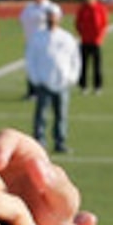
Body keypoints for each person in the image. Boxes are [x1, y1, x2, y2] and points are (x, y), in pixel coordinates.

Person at [24, 11, 77, 154]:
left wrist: (71, 77)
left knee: (61, 115)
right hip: (44, 82)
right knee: (41, 115)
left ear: (59, 18)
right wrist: (35, 78)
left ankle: (60, 141)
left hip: (62, 83)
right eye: (49, 16)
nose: (52, 19)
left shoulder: (66, 37)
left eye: (54, 16)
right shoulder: (37, 37)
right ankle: (39, 142)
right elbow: (30, 59)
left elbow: (75, 58)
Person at [74, 0, 109, 91]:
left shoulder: (100, 8)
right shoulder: (83, 8)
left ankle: (97, 86)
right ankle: (83, 85)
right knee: (83, 65)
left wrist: (100, 38)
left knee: (97, 65)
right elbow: (78, 23)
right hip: (85, 40)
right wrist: (81, 34)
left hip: (96, 41)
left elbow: (104, 24)